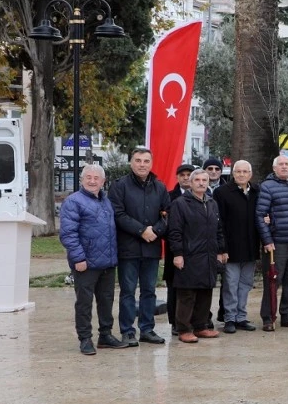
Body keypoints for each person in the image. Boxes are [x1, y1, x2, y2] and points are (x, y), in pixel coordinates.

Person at [60, 163, 129, 354]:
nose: (92, 181)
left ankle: (105, 335)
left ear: (103, 181)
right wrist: (78, 258)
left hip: (107, 262)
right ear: (82, 180)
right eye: (88, 177)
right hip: (86, 264)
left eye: (96, 178)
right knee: (84, 302)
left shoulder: (106, 201)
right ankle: (85, 338)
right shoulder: (73, 202)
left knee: (106, 301)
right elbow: (68, 234)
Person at [108, 146, 170, 346]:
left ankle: (147, 329)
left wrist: (157, 231)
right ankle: (127, 331)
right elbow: (118, 214)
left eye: (146, 161)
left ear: (151, 164)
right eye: (138, 160)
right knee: (127, 291)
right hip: (129, 248)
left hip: (151, 249)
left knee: (149, 291)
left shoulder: (159, 187)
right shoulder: (119, 186)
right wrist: (142, 230)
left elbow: (167, 214)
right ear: (131, 162)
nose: (142, 165)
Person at [166, 169, 228, 343]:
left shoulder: (212, 203)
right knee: (187, 294)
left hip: (208, 255)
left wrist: (221, 250)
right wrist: (178, 254)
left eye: (204, 180)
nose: (201, 183)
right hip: (189, 255)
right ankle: (184, 329)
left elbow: (219, 228)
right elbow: (175, 231)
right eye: (197, 180)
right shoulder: (180, 203)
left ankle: (201, 327)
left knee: (205, 292)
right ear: (191, 183)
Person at [256, 154, 288, 330]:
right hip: (276, 243)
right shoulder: (267, 187)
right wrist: (267, 240)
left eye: (287, 164)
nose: (284, 167)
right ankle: (268, 317)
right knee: (273, 280)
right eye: (281, 164)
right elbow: (260, 215)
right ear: (274, 168)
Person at [215, 160, 260, 332]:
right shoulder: (222, 193)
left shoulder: (256, 191)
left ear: (250, 174)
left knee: (246, 284)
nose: (241, 174)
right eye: (238, 171)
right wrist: (222, 248)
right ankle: (229, 318)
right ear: (233, 173)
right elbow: (220, 224)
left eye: (245, 172)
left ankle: (241, 317)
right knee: (230, 285)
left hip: (250, 247)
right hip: (231, 248)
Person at [163, 163, 195, 335]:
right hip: (175, 249)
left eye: (188, 174)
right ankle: (175, 322)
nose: (185, 177)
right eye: (182, 174)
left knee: (193, 287)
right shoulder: (169, 197)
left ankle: (193, 320)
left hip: (196, 250)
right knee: (174, 287)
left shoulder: (202, 196)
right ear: (177, 177)